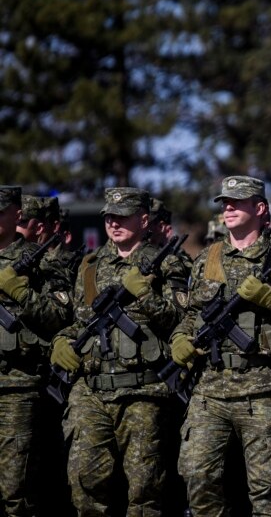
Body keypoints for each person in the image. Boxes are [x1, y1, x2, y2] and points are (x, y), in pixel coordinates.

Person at [171, 175, 271, 516]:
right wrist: (180, 337)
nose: (228, 208)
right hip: (211, 389)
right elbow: (192, 313)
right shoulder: (208, 256)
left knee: (267, 492)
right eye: (225, 203)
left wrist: (270, 299)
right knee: (198, 477)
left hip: (264, 390)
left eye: (236, 202)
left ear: (260, 208)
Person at [54, 186, 189, 515]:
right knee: (84, 478)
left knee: (144, 488)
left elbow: (181, 320)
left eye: (122, 217)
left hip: (143, 391)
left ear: (143, 220)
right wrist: (61, 341)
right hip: (92, 390)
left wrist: (145, 294)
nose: (113, 223)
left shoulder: (167, 263)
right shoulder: (90, 265)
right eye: (109, 217)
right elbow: (79, 320)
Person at [0, 186, 73, 516]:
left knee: (16, 491)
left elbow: (60, 318)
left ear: (17, 214)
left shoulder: (42, 262)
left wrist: (22, 294)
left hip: (18, 386)